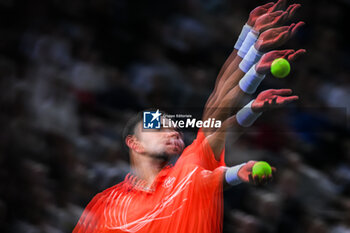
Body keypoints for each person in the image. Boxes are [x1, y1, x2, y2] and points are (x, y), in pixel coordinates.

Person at [73, 1, 305, 232]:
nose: (173, 132)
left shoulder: (171, 169)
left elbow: (216, 115)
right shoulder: (125, 196)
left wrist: (253, 49)